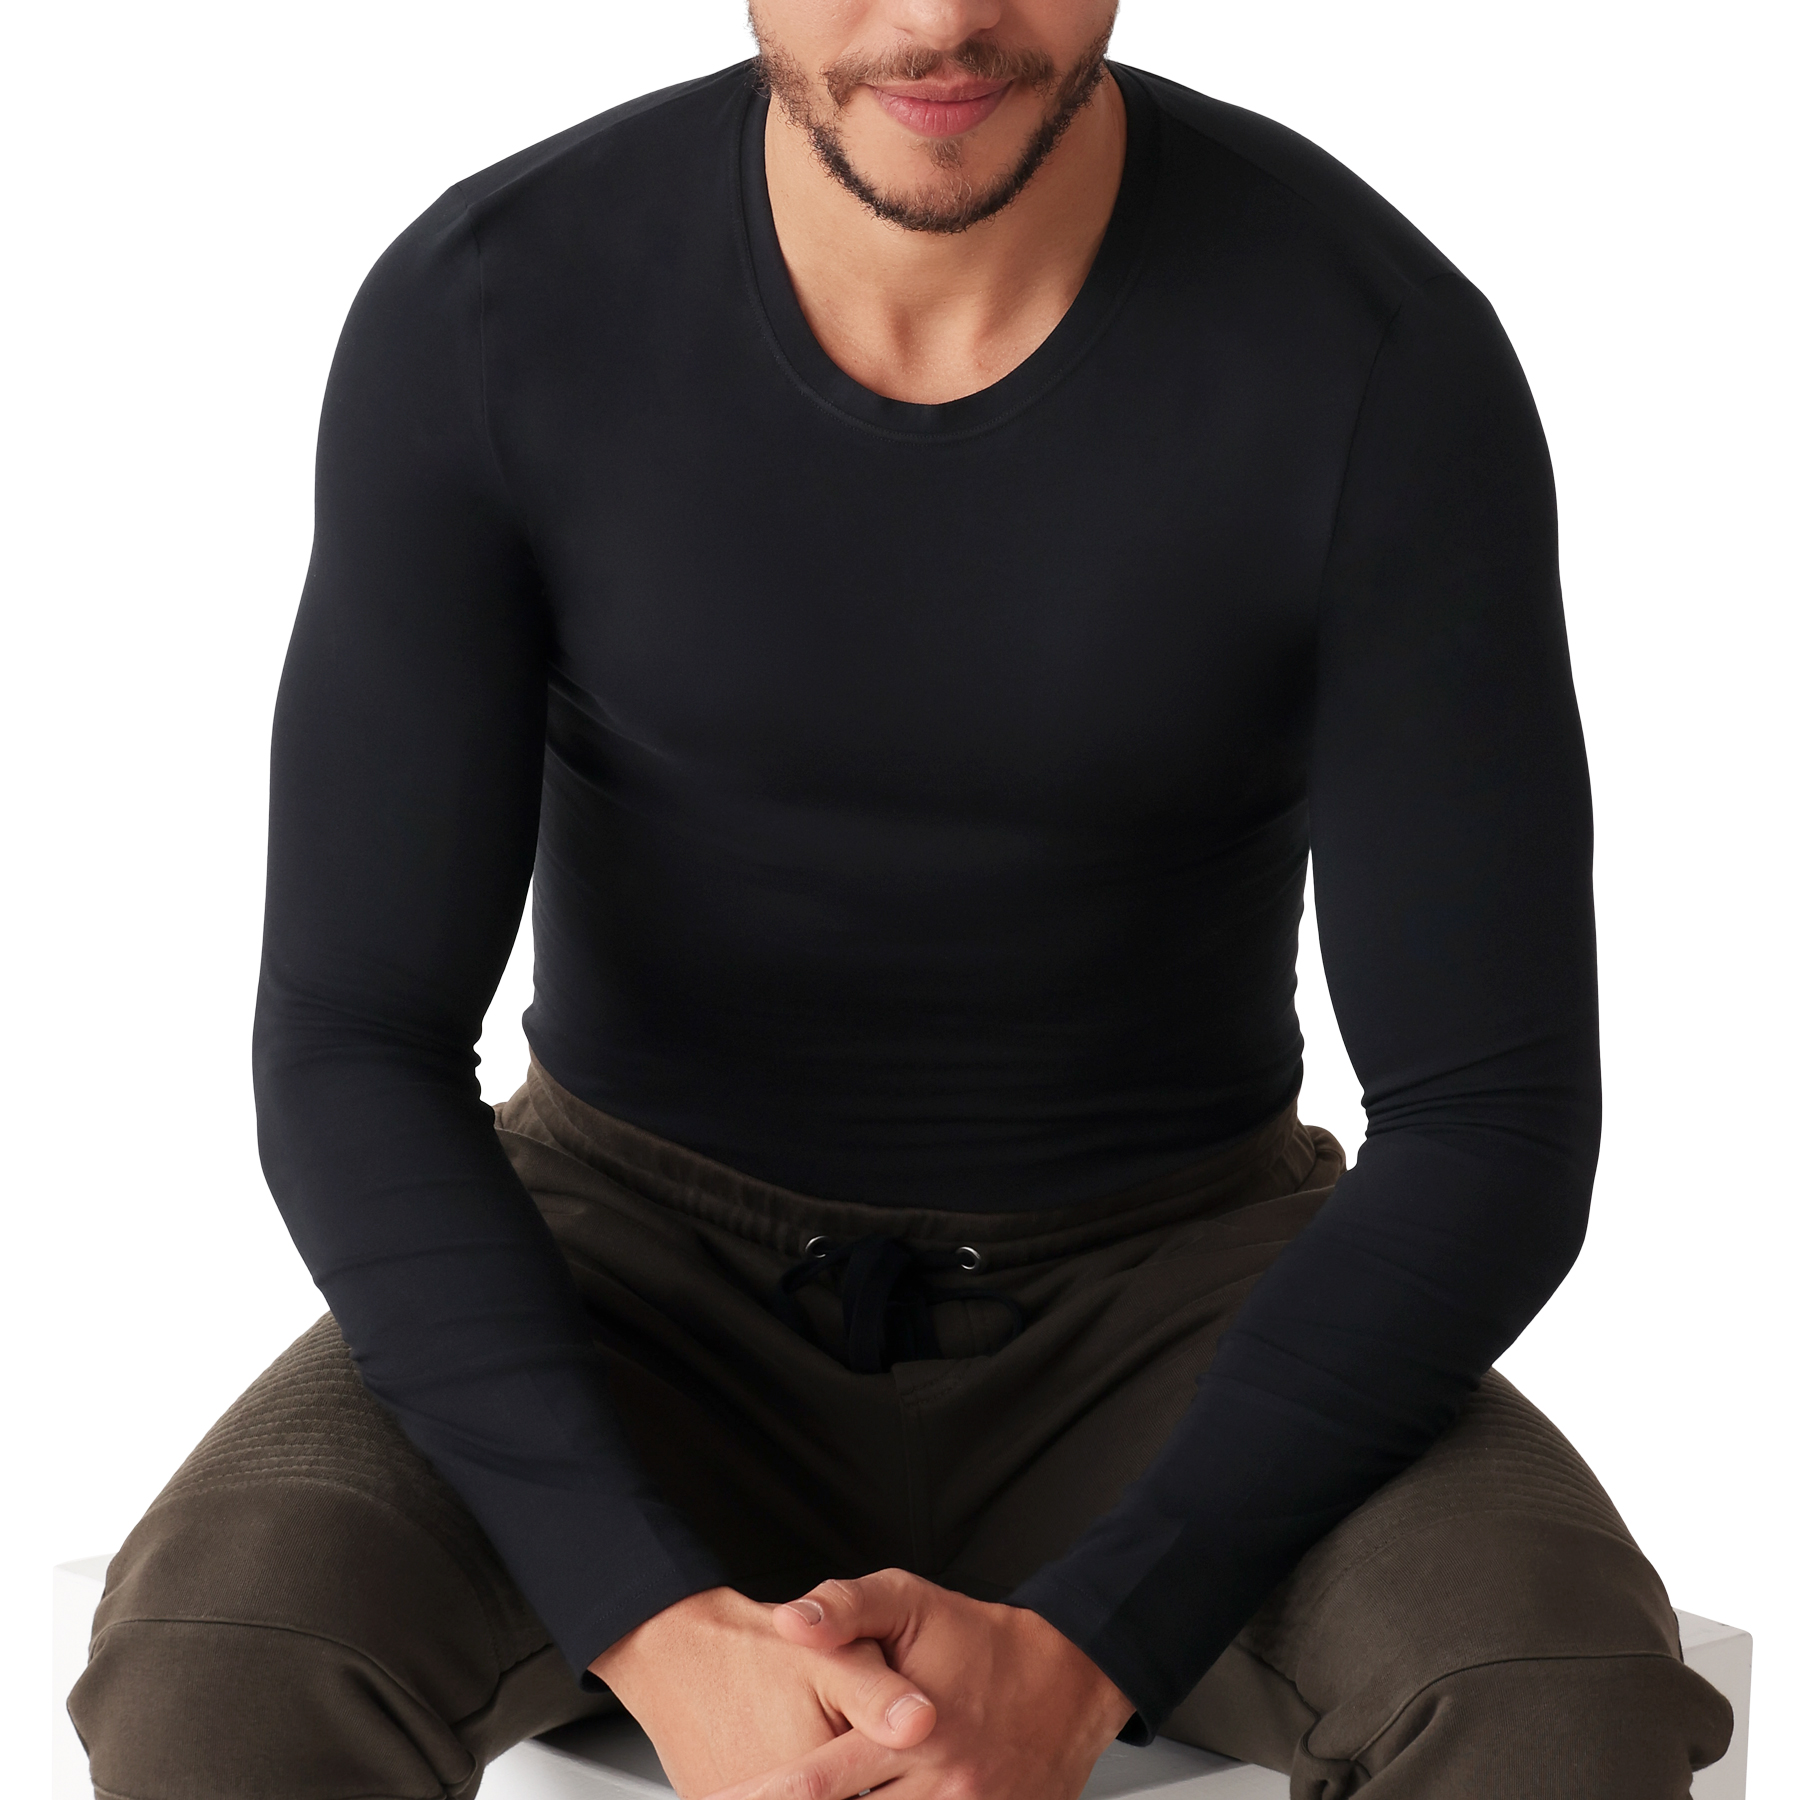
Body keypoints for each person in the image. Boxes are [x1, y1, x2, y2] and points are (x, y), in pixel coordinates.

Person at [69, 3, 1736, 1796]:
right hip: (618, 1280)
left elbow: (1491, 1116)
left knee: (1553, 1700)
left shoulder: (1374, 349)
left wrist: (1097, 1648)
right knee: (218, 1672)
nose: (941, 19)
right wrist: (644, 1620)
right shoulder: (493, 303)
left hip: (1180, 1298)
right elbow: (354, 1041)